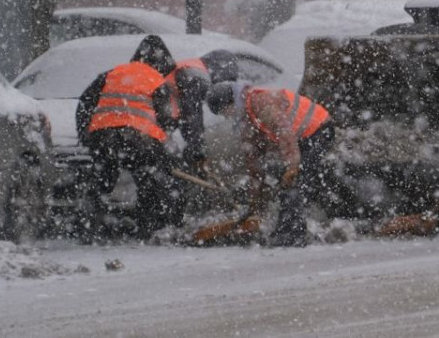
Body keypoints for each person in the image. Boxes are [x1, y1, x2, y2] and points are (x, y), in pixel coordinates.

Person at [74, 35, 183, 237]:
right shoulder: (156, 80)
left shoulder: (112, 73)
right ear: (161, 62)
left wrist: (86, 134)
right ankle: (150, 225)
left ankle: (90, 225)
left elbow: (85, 103)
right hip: (138, 139)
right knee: (151, 176)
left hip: (103, 136)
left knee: (103, 177)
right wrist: (166, 146)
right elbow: (168, 119)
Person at [206, 82, 335, 247]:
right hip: (301, 138)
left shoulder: (260, 102)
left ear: (231, 103)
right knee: (286, 185)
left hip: (318, 129)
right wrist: (255, 198)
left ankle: (294, 235)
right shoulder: (246, 119)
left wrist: (292, 166)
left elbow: (284, 132)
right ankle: (285, 230)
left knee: (296, 183)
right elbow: (253, 159)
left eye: (225, 112)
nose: (226, 116)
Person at [163, 49, 239, 177]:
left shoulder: (192, 68)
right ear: (221, 74)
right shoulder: (197, 76)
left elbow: (187, 114)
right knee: (169, 177)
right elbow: (192, 114)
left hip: (155, 115)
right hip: (151, 118)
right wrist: (198, 150)